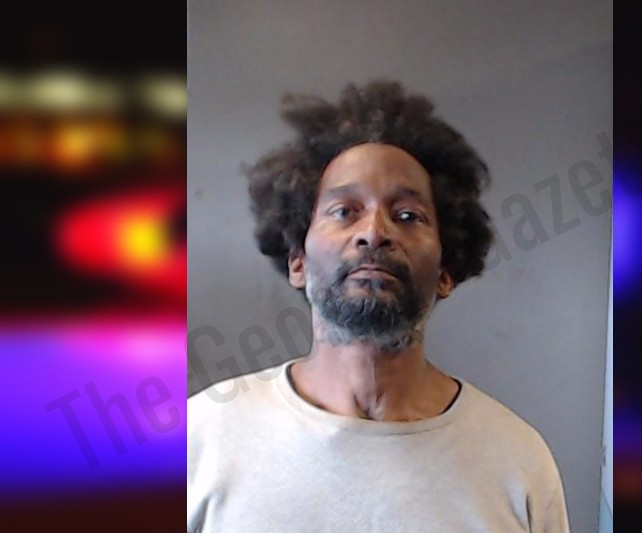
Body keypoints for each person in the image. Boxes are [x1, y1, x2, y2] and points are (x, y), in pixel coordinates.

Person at [187, 80, 570, 532]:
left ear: (446, 270)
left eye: (407, 216)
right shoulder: (201, 438)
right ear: (297, 261)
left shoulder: (518, 462)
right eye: (344, 211)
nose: (374, 232)